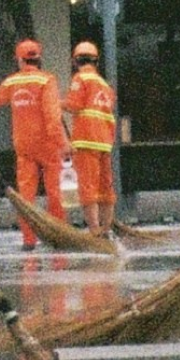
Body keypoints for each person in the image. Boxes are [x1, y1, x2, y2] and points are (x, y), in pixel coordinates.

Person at [0, 39, 70, 250]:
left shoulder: (12, 82)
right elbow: (52, 117)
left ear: (20, 60)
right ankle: (58, 235)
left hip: (24, 147)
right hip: (48, 146)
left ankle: (28, 240)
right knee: (54, 193)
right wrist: (63, 143)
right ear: (39, 59)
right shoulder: (46, 81)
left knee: (26, 196)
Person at [62, 42, 118, 235]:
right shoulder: (105, 85)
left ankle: (94, 231)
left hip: (86, 140)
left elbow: (74, 105)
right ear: (96, 61)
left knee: (88, 187)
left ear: (76, 60)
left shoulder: (80, 78)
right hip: (104, 142)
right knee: (106, 187)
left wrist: (56, 103)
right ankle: (106, 228)